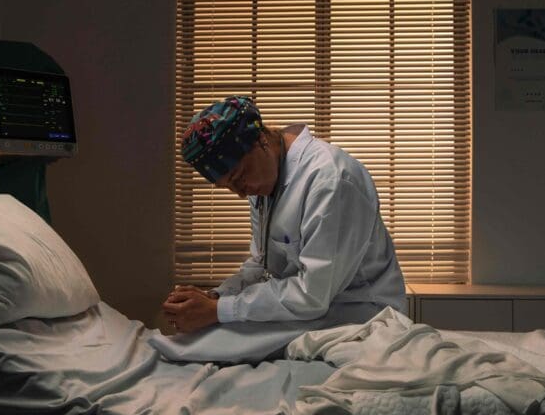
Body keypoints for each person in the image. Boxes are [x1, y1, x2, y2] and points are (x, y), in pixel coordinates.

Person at [154, 95, 406, 362]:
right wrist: (216, 296)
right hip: (313, 309)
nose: (240, 193)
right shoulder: (265, 183)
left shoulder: (330, 180)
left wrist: (218, 310)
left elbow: (312, 294)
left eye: (239, 177)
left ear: (260, 141)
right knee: (193, 341)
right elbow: (259, 266)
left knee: (200, 348)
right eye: (228, 186)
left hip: (359, 314)